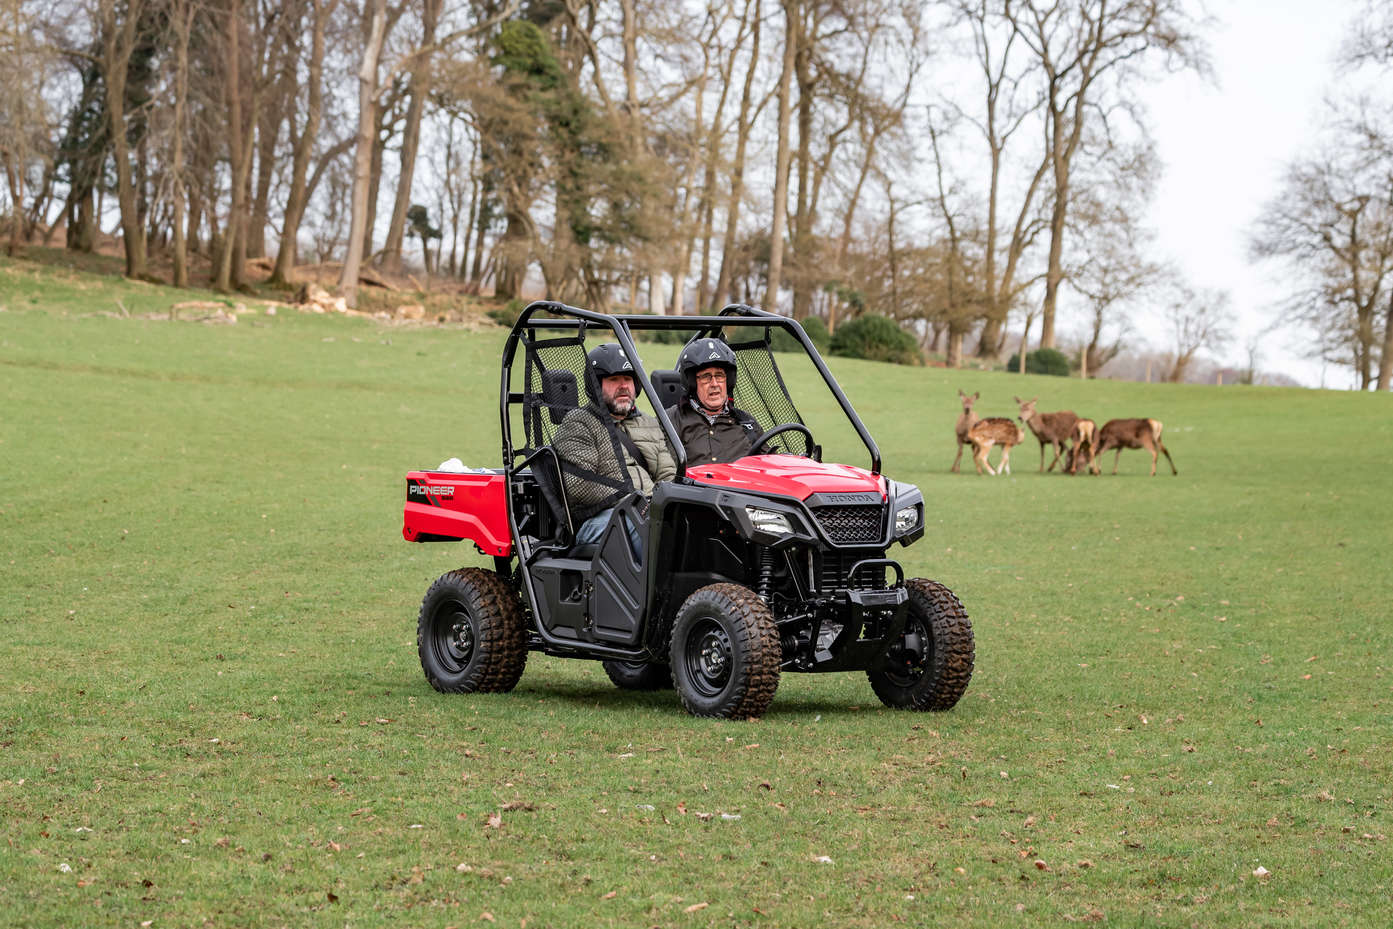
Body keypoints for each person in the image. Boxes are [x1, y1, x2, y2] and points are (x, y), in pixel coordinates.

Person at [553, 343, 676, 553]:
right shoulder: (579, 422)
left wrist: (666, 504)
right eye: (613, 379)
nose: (623, 386)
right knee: (646, 527)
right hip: (597, 519)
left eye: (628, 379)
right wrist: (633, 500)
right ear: (595, 385)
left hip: (649, 510)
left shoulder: (649, 422)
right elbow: (579, 486)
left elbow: (668, 473)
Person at [666, 338, 761, 466]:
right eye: (706, 377)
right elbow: (664, 473)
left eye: (719, 375)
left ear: (729, 381)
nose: (714, 384)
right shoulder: (670, 421)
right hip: (692, 486)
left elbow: (768, 466)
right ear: (692, 384)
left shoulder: (747, 423)